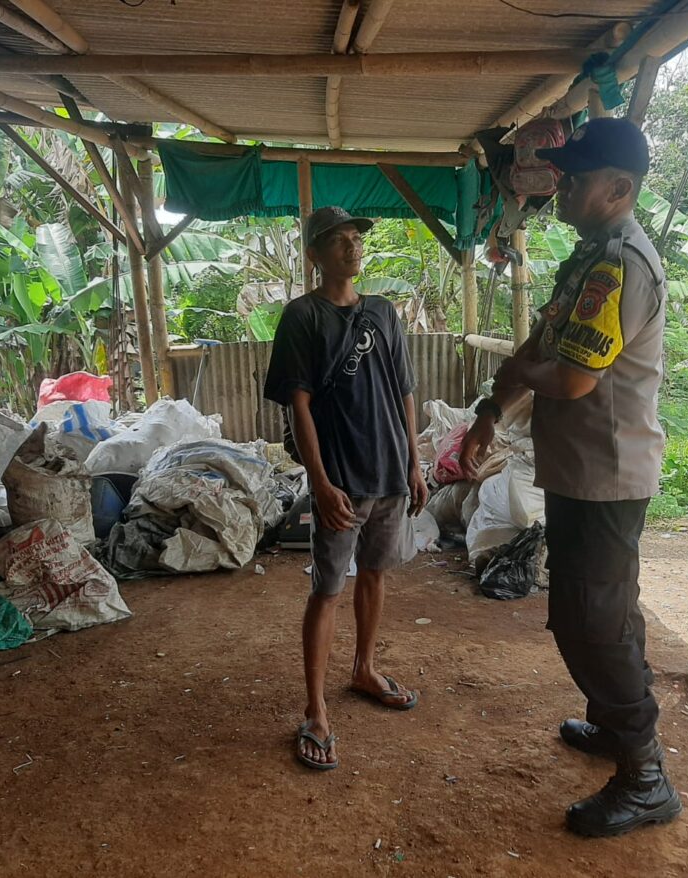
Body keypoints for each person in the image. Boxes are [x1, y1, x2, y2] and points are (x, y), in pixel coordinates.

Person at [459, 118, 680, 837]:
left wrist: (523, 375)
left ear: (618, 189)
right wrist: (494, 408)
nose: (563, 189)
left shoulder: (620, 264)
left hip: (605, 476)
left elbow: (573, 378)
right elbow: (542, 343)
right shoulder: (590, 258)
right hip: (583, 471)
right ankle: (617, 730)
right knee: (600, 611)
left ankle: (645, 777)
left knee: (594, 620)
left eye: (577, 180)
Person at [264, 206, 428, 772]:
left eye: (356, 238)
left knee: (375, 574)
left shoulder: (383, 312)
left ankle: (364, 668)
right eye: (338, 240)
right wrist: (320, 481)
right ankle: (315, 710)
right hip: (341, 480)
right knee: (328, 589)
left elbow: (405, 391)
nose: (352, 247)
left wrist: (414, 463)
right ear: (314, 254)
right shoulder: (302, 317)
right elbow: (299, 405)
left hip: (389, 473)